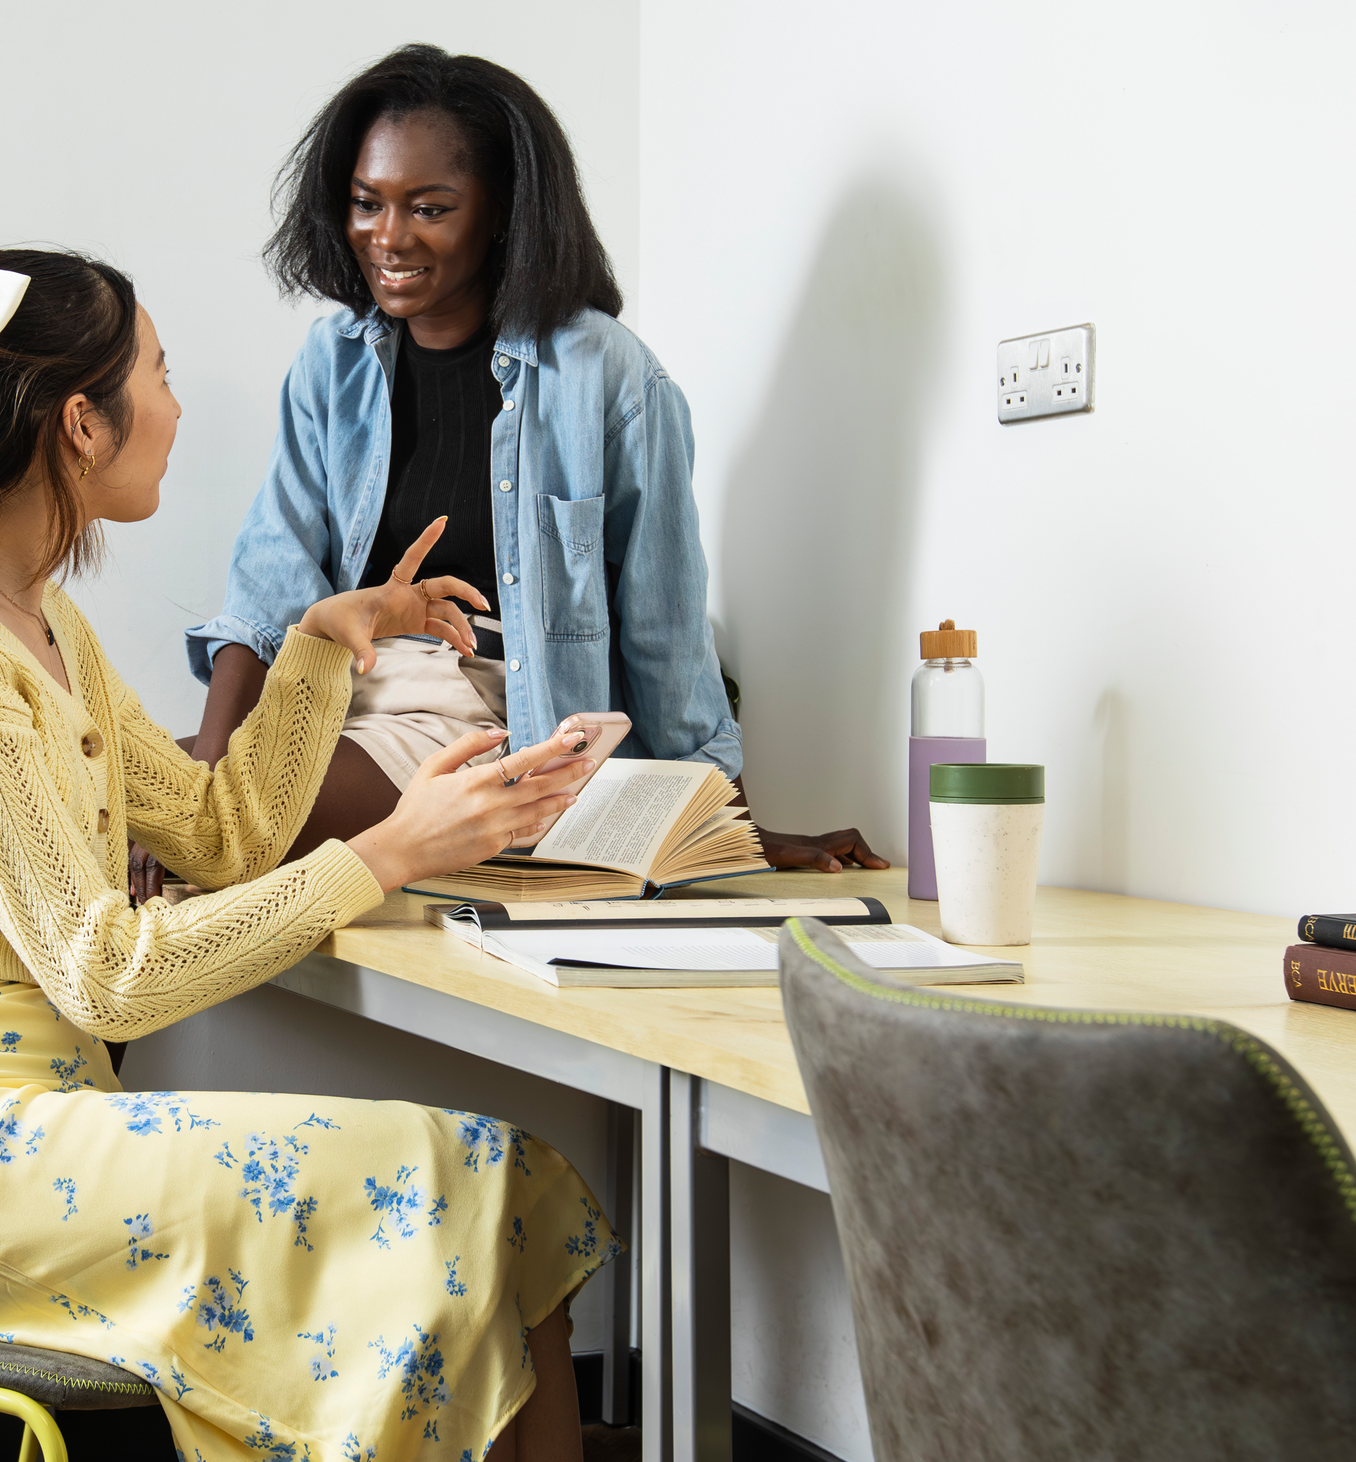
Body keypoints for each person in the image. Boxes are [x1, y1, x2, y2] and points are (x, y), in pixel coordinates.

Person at [0, 246, 620, 1462]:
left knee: (508, 1196)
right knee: (445, 1178)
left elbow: (220, 828)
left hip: (33, 1123)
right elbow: (106, 969)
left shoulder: (41, 627)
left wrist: (326, 641)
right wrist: (387, 850)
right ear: (78, 422)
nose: (179, 406)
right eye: (159, 375)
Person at [179, 44, 881, 877]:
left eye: (429, 208)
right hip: (330, 703)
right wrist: (205, 779)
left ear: (503, 211)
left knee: (229, 824)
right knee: (113, 798)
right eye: (367, 202)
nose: (387, 236)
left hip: (483, 714)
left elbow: (665, 626)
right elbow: (267, 583)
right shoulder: (331, 361)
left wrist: (722, 827)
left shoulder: (610, 376)